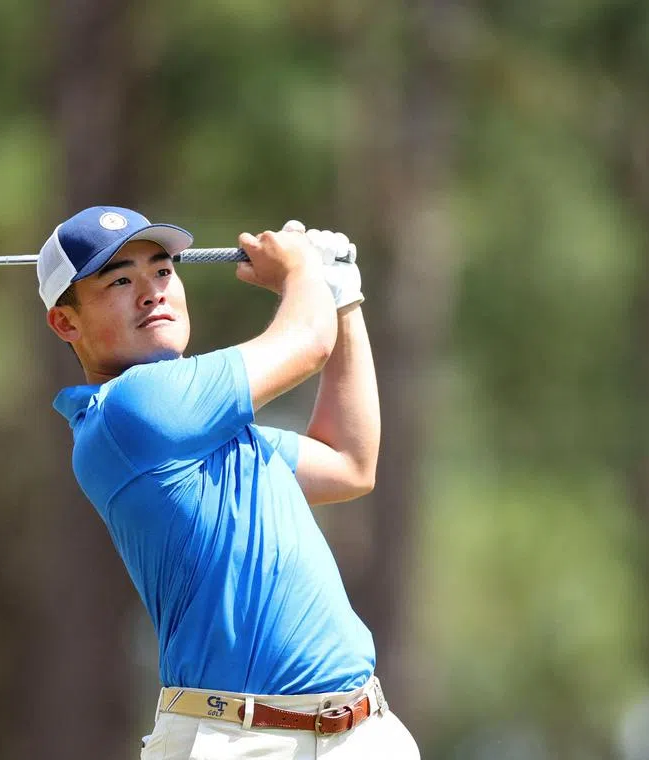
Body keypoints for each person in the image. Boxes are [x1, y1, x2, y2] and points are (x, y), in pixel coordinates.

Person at [37, 205, 420, 759]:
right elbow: (308, 344)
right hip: (240, 741)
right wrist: (300, 272)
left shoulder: (204, 429)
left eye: (162, 270)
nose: (151, 292)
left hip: (362, 732)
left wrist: (343, 300)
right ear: (66, 322)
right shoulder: (136, 408)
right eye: (120, 280)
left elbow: (348, 462)